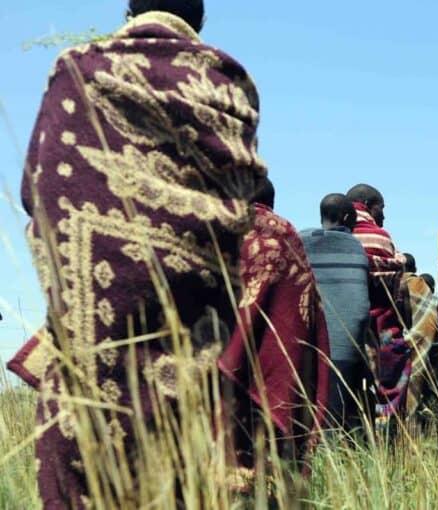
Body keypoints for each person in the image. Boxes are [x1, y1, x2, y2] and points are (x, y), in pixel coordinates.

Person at [7, 1, 268, 506]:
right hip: (191, 383)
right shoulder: (230, 83)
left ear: (129, 9)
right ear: (200, 21)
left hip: (85, 376)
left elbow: (35, 193)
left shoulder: (77, 69)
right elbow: (242, 204)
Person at [218, 178, 330, 478]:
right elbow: (304, 312)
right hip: (272, 372)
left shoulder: (217, 225)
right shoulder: (285, 235)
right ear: (272, 202)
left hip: (212, 360)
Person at [299, 194, 370, 431]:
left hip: (302, 348)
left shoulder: (300, 242)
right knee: (335, 422)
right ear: (347, 217)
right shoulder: (353, 247)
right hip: (343, 351)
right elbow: (359, 308)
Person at [346, 184, 409, 429]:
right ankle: (388, 427)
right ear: (369, 205)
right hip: (378, 329)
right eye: (381, 209)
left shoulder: (339, 234)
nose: (383, 216)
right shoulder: (380, 237)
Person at [397, 255, 438, 432]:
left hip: (398, 358)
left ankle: (397, 440)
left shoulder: (392, 286)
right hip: (430, 355)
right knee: (432, 400)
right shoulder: (421, 289)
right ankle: (433, 438)